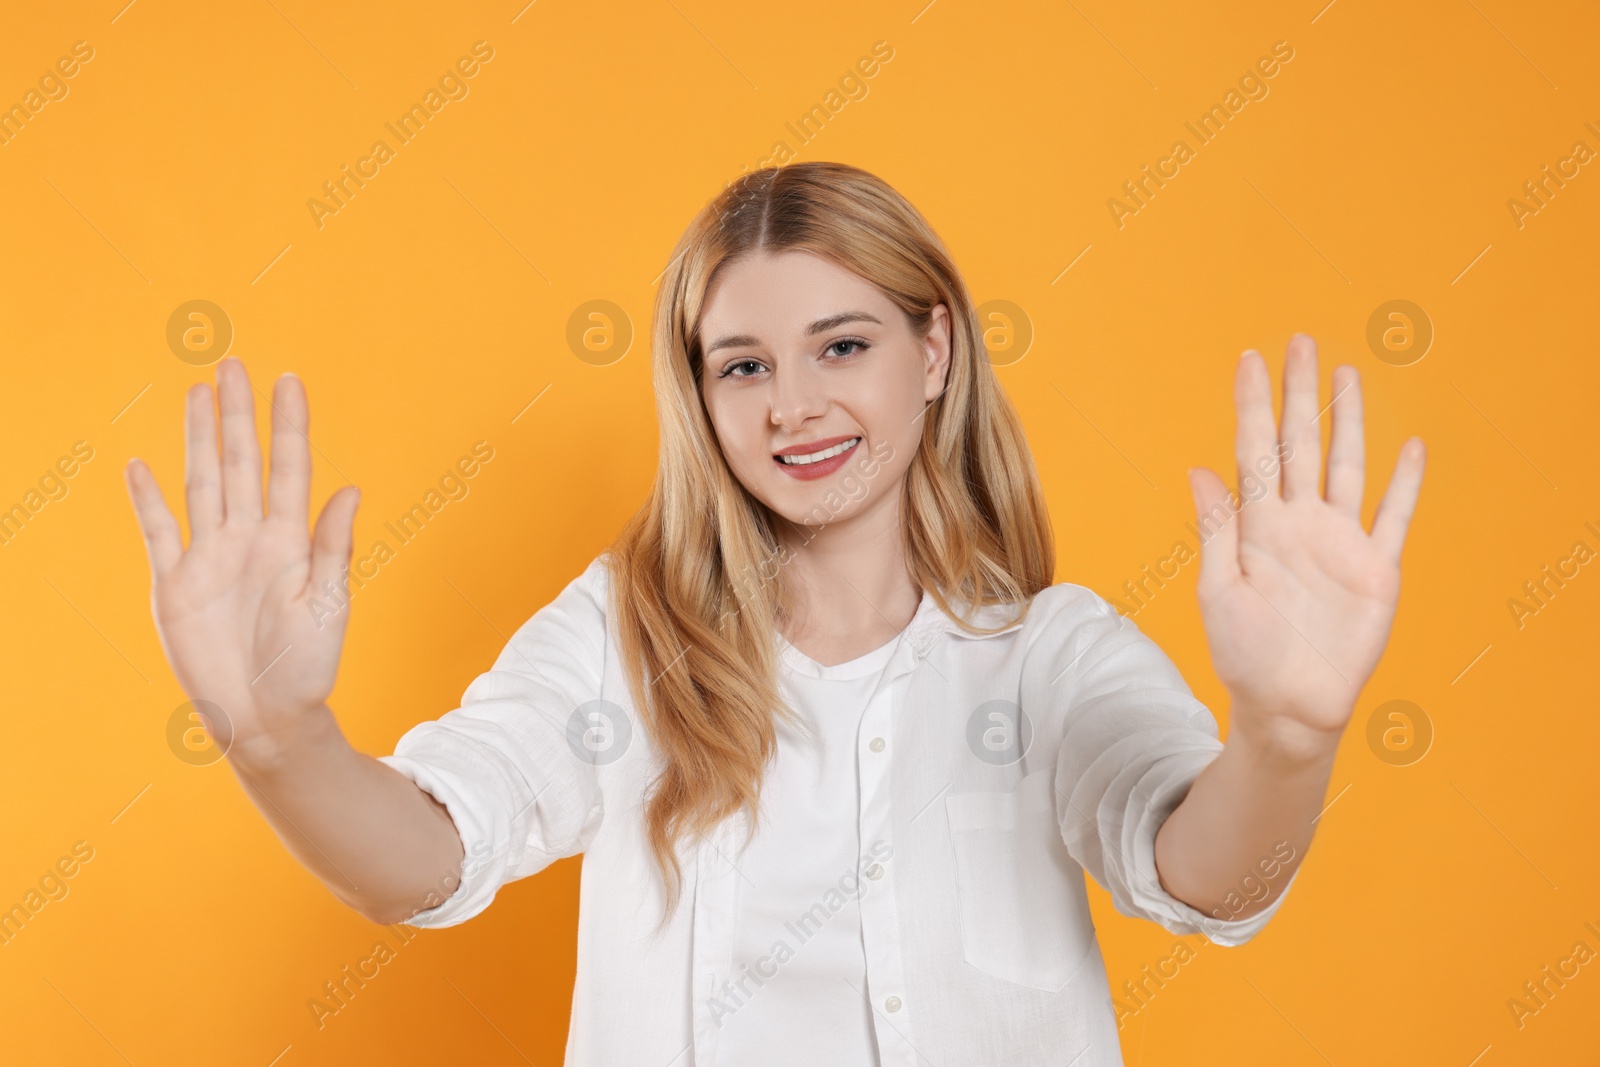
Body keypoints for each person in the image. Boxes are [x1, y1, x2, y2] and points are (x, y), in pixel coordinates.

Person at [123, 161, 1426, 1065]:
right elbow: (432, 857)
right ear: (701, 398)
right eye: (743, 365)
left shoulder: (1051, 659)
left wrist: (1287, 740)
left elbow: (1209, 880)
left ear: (935, 353)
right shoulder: (623, 639)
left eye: (842, 345)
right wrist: (282, 744)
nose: (791, 404)